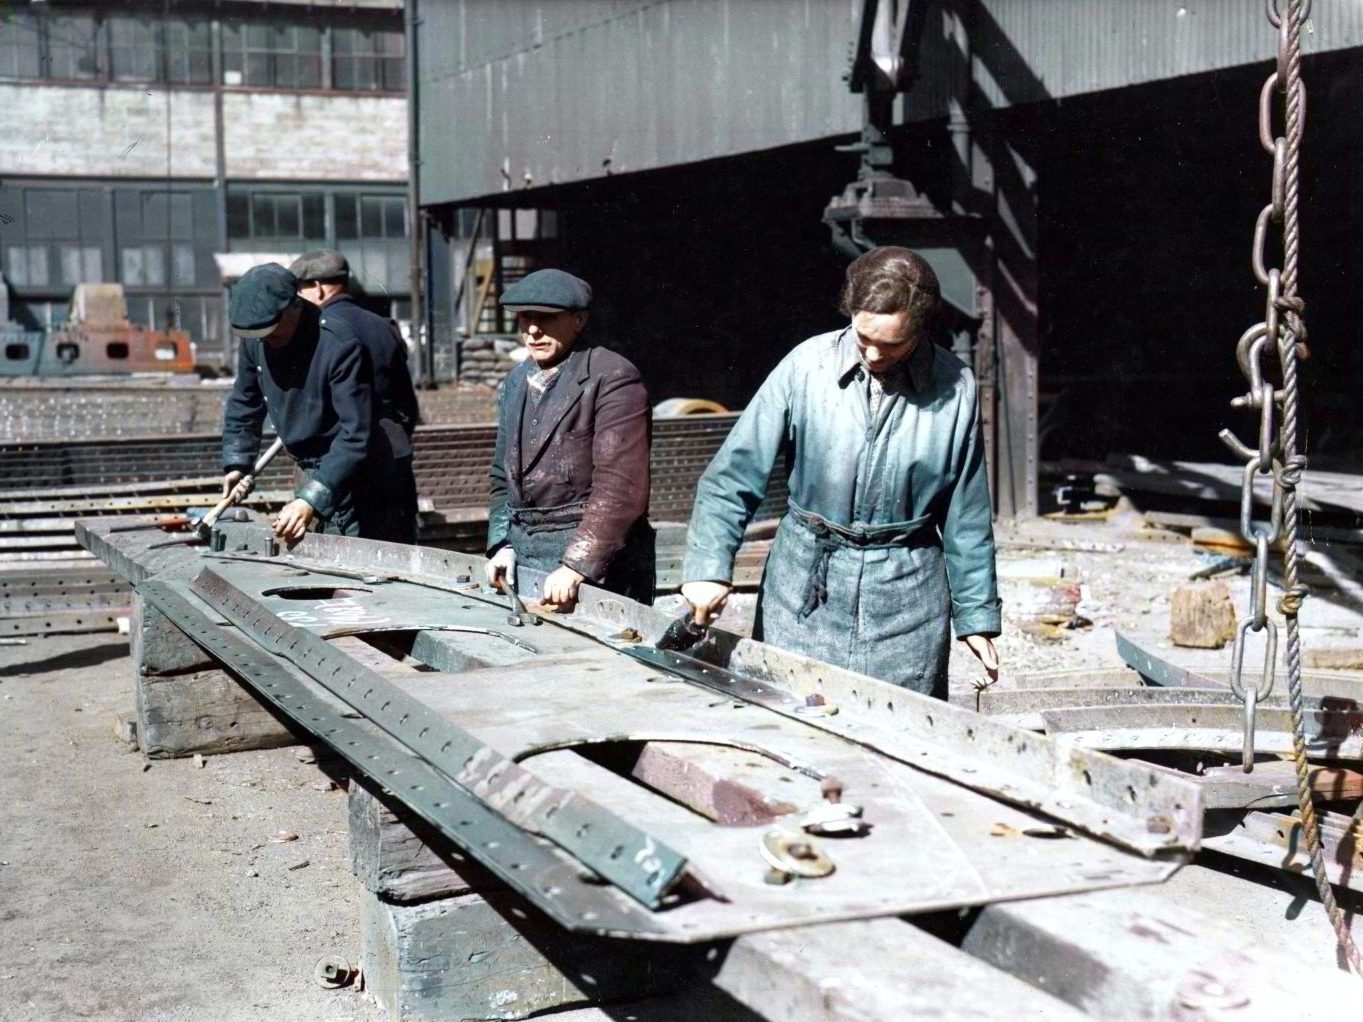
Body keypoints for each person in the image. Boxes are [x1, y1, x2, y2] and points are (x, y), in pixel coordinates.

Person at [680, 247, 1001, 698]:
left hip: (907, 599)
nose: (871, 353)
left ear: (922, 329)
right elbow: (733, 476)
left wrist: (977, 617)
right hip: (805, 587)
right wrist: (709, 567)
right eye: (861, 335)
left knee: (899, 736)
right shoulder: (806, 365)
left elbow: (966, 516)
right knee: (791, 718)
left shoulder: (957, 387)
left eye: (890, 344)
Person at [485, 268, 654, 606]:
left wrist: (578, 565)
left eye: (546, 318)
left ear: (578, 320)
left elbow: (620, 486)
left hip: (596, 565)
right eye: (525, 318)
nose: (533, 330)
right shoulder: (517, 381)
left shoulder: (612, 376)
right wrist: (501, 544)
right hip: (525, 554)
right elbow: (502, 475)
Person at [221, 263, 375, 545]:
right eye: (260, 336)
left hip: (345, 476)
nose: (267, 341)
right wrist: (237, 462)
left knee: (344, 572)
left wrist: (311, 500)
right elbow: (245, 402)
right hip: (306, 470)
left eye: (273, 331)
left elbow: (355, 436)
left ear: (295, 306)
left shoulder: (340, 345)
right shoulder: (257, 341)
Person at [289, 249, 422, 543]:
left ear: (318, 288)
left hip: (337, 462)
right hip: (392, 454)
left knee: (338, 558)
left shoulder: (315, 331)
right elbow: (407, 404)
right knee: (394, 549)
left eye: (299, 290)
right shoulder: (383, 327)